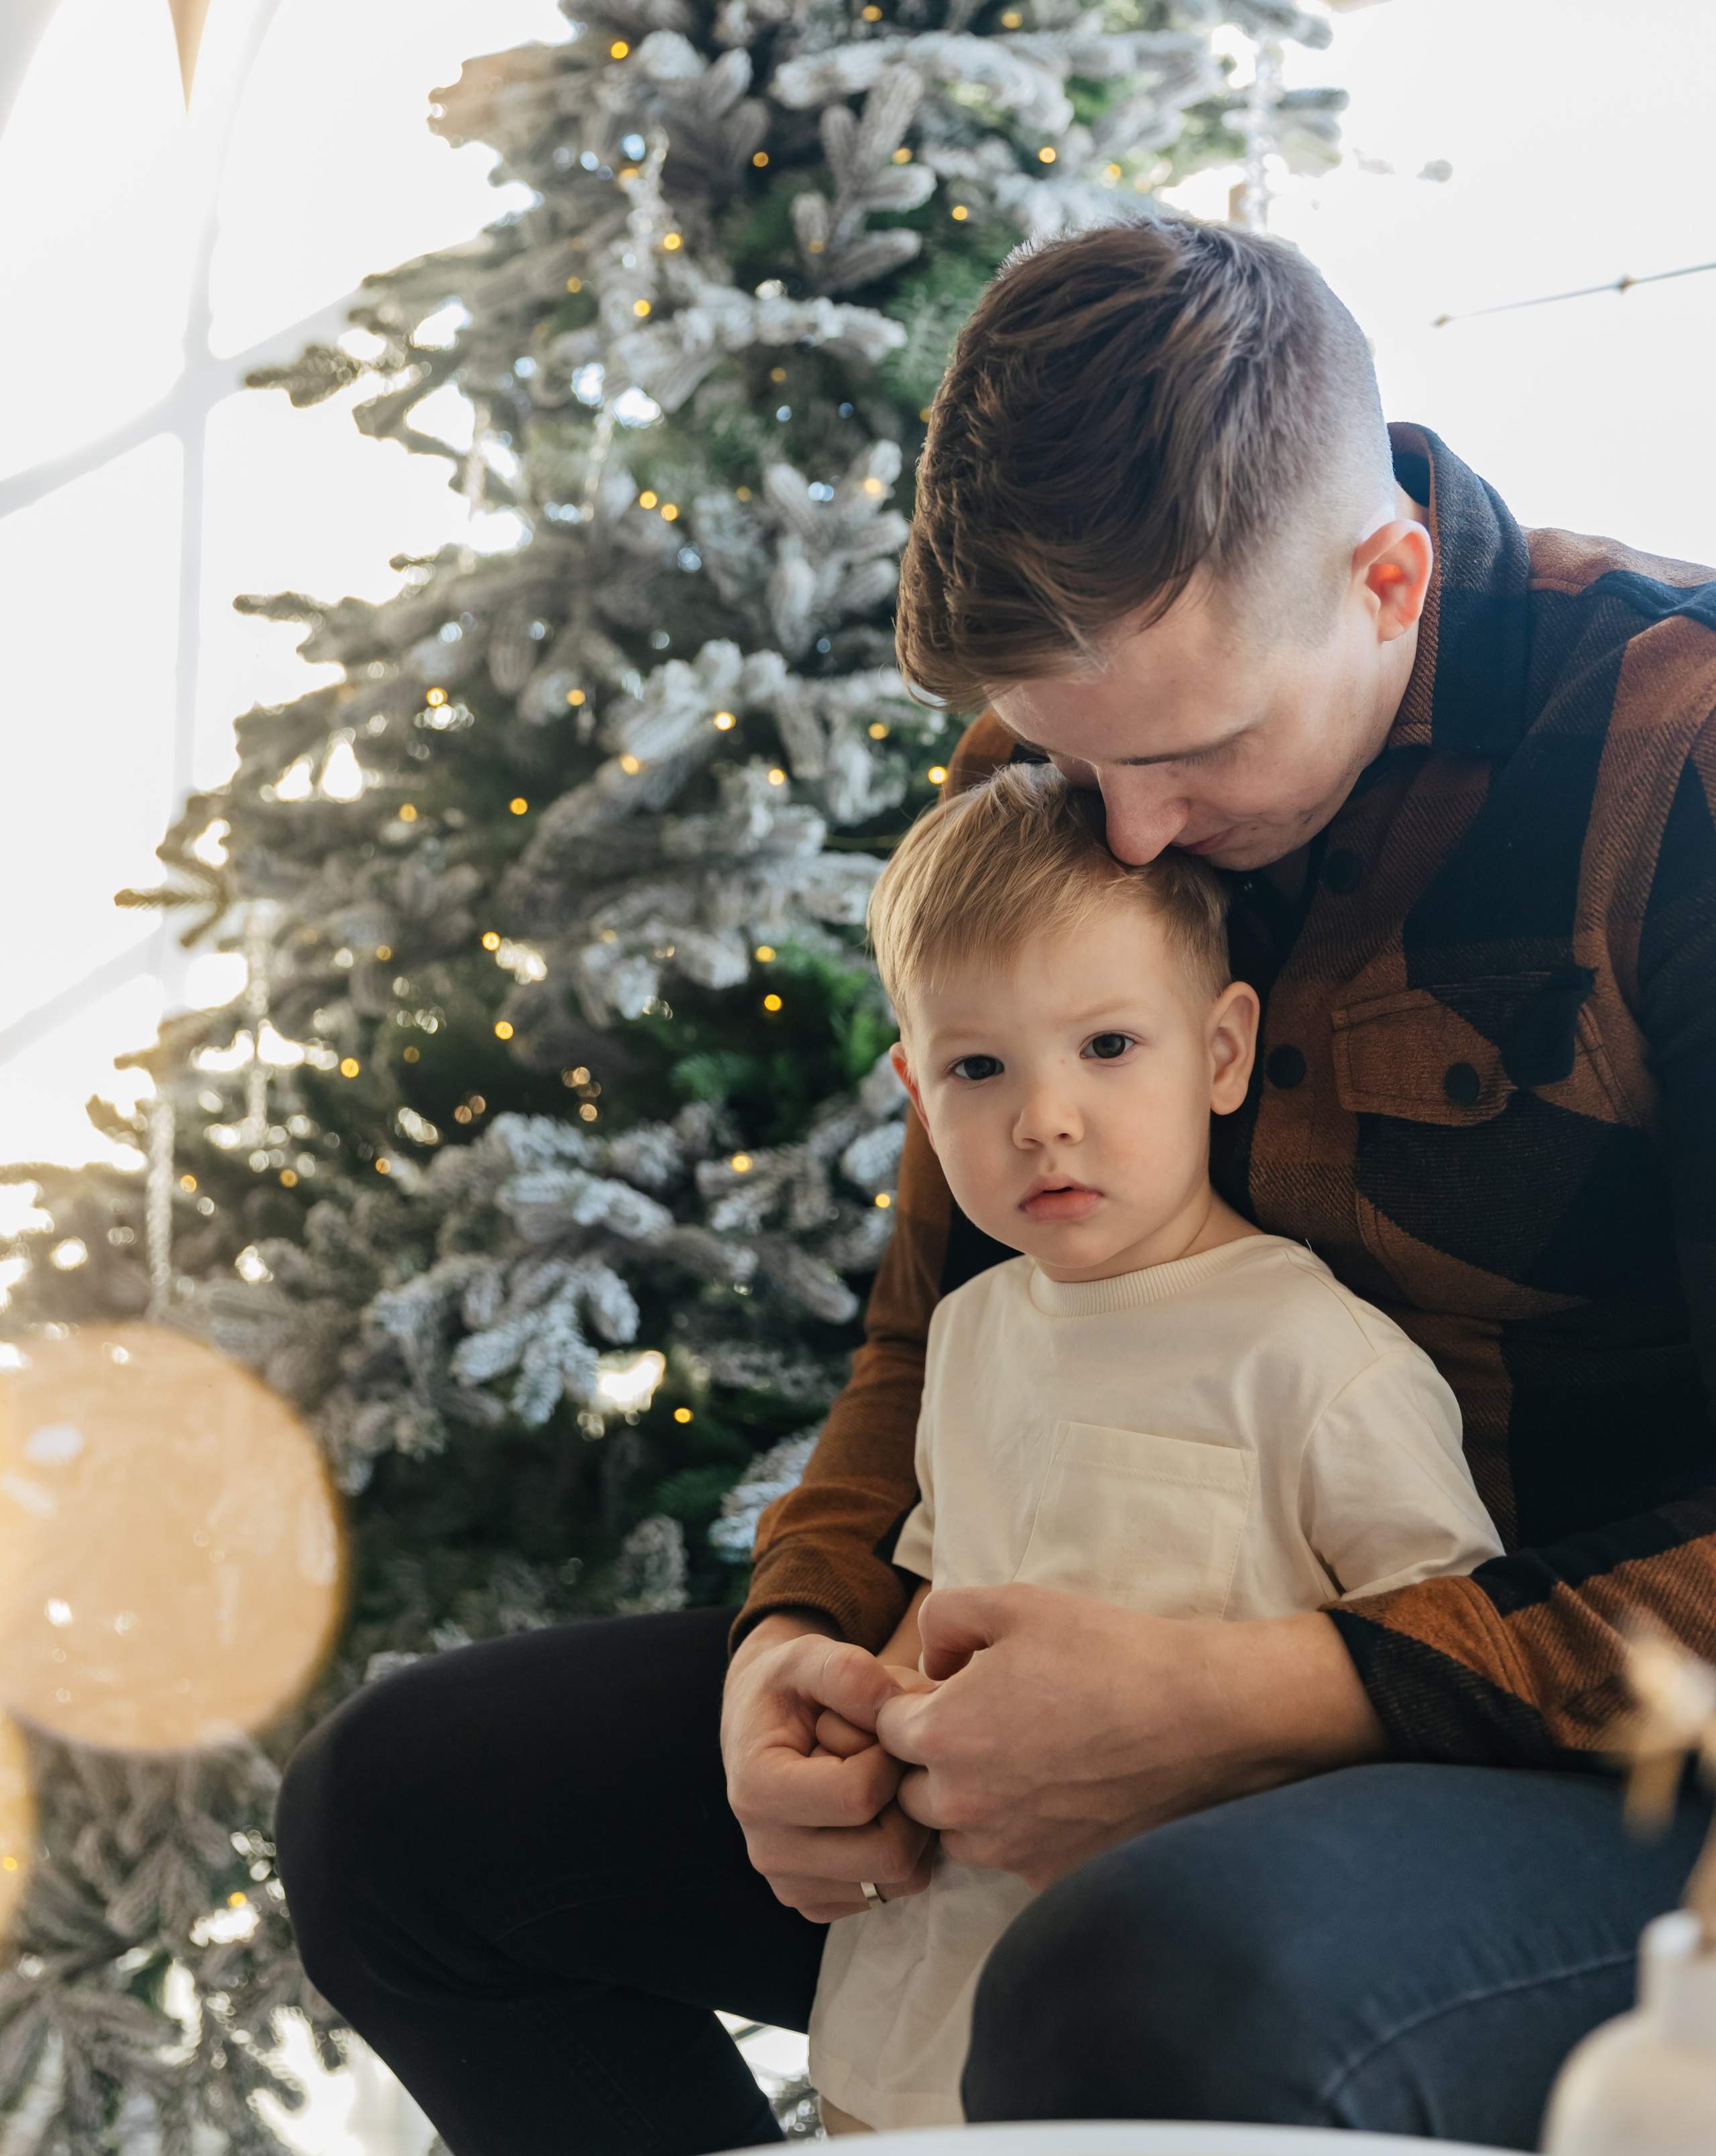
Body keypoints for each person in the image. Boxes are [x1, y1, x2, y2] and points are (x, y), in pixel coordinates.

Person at [275, 219, 1716, 2155]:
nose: (1127, 831)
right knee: (397, 1816)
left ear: (1383, 581)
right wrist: (789, 1649)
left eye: (1194, 750)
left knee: (1140, 1978)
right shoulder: (1069, 761)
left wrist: (1280, 1696)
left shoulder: (1677, 751)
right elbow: (935, 1326)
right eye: (1067, 755)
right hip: (1075, 1697)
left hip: (1622, 1768)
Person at [805, 760, 1501, 2132]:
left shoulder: (1317, 1358)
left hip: (1180, 2002)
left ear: (1222, 1053)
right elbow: (937, 1588)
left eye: (1108, 1047)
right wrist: (858, 1709)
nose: (1043, 1119)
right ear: (916, 1092)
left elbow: (1445, 1667)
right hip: (916, 1987)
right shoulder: (972, 1331)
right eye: (977, 1068)